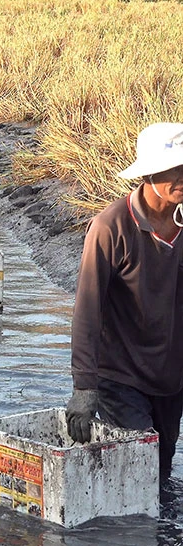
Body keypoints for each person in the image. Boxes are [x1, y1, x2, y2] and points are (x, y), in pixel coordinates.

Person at [66, 122, 183, 483]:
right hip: (121, 375)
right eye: (174, 169)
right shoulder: (110, 227)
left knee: (160, 471)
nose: (182, 176)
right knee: (139, 471)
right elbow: (87, 311)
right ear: (149, 173)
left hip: (170, 375)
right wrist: (85, 388)